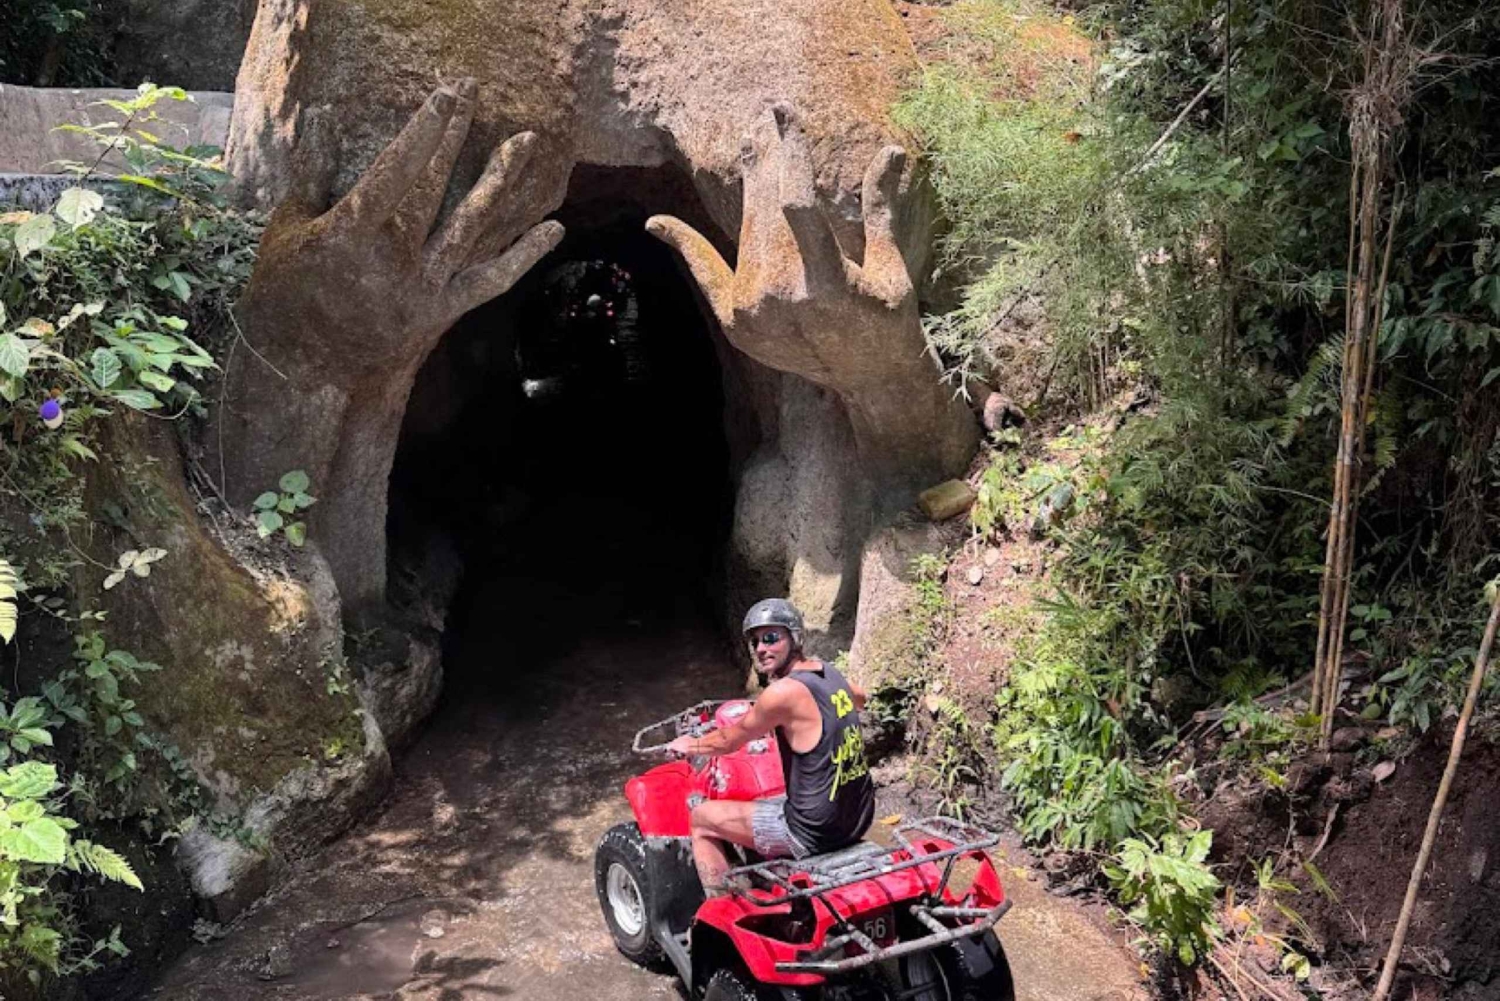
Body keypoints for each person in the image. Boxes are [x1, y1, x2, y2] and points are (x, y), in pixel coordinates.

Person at [667, 599, 875, 895]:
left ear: (795, 637)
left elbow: (729, 740)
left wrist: (692, 744)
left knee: (701, 818)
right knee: (776, 798)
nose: (761, 648)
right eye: (755, 642)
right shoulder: (830, 674)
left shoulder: (781, 693)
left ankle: (725, 910)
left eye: (771, 638)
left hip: (812, 833)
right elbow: (860, 698)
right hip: (857, 818)